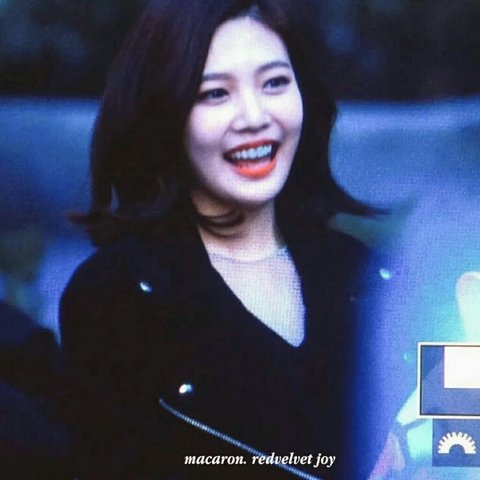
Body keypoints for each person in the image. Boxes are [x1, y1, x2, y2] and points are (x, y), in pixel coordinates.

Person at [60, 0, 394, 478]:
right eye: (215, 93)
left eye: (274, 83)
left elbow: (457, 442)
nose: (254, 117)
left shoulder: (376, 277)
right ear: (163, 113)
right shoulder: (116, 298)